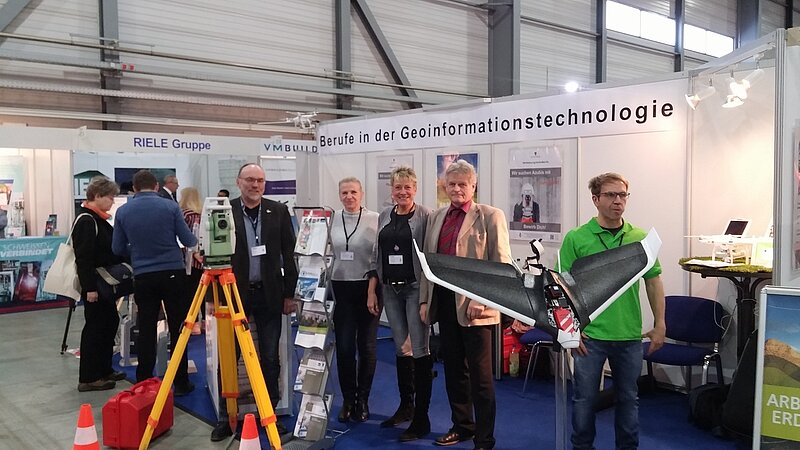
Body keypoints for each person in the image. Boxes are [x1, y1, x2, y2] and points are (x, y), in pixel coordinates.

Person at [560, 172, 665, 450]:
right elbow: (563, 287)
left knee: (628, 399)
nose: (618, 201)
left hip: (628, 335)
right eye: (610, 195)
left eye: (623, 195)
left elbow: (653, 282)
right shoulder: (577, 238)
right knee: (584, 400)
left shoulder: (640, 238)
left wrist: (660, 324)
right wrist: (571, 329)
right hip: (590, 336)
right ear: (595, 199)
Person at [420, 159, 510, 450]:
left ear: (473, 186)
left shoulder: (491, 216)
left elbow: (501, 266)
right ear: (445, 186)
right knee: (454, 370)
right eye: (452, 184)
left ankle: (484, 438)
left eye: (463, 184)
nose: (457, 189)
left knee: (481, 377)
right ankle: (462, 426)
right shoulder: (437, 216)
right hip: (445, 301)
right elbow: (428, 262)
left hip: (476, 307)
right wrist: (425, 300)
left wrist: (480, 299)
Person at [211, 163, 298, 441]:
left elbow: (289, 253)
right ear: (239, 182)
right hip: (234, 294)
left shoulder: (278, 211)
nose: (255, 185)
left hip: (270, 294)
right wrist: (213, 298)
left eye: (260, 180)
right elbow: (214, 255)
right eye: (250, 179)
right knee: (229, 357)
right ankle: (226, 417)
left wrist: (289, 293)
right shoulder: (224, 210)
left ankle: (269, 414)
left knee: (270, 357)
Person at [112, 170, 197, 395]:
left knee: (146, 327)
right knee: (178, 327)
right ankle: (181, 381)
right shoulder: (170, 207)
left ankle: (144, 381)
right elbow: (188, 239)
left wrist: (137, 250)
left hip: (143, 275)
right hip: (172, 272)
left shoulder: (123, 211)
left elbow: (117, 248)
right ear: (157, 186)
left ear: (134, 188)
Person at [371, 166, 433, 442]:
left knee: (419, 349)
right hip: (390, 290)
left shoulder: (426, 216)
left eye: (408, 187)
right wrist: (373, 289)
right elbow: (377, 253)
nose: (403, 192)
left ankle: (422, 418)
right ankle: (406, 406)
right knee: (401, 348)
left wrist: (426, 298)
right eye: (398, 187)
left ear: (415, 189)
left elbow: (429, 256)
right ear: (392, 190)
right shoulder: (385, 215)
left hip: (415, 288)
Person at [330, 177, 380, 423]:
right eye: (344, 193)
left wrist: (372, 291)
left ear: (361, 194)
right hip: (340, 288)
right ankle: (348, 399)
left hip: (367, 288)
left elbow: (377, 259)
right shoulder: (331, 219)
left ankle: (363, 400)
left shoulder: (375, 219)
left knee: (367, 347)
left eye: (353, 192)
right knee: (345, 347)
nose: (349, 196)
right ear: (339, 195)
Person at [73, 176, 127, 392]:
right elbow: (83, 258)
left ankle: (104, 369)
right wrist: (89, 289)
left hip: (103, 284)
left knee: (109, 322)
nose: (112, 201)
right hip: (96, 284)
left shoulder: (97, 219)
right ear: (97, 196)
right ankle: (89, 377)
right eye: (110, 197)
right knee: (95, 329)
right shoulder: (87, 221)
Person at [179, 187, 204, 334]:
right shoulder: (201, 215)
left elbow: (183, 238)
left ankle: (191, 323)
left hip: (187, 261)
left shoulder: (184, 215)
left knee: (188, 295)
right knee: (202, 293)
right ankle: (205, 323)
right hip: (200, 261)